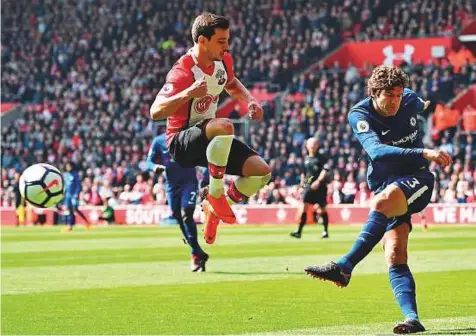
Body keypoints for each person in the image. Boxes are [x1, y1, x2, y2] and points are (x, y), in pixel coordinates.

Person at [304, 66, 452, 334]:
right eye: (389, 95)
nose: (395, 101)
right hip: (387, 183)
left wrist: (425, 106)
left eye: (398, 95)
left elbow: (421, 103)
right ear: (373, 92)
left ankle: (345, 266)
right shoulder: (360, 114)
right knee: (395, 253)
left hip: (417, 179)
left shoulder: (409, 99)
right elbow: (376, 151)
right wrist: (424, 151)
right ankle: (412, 318)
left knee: (382, 202)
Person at [149, 13, 271, 244]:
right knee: (224, 125)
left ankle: (213, 208)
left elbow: (231, 83)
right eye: (221, 41)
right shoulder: (183, 71)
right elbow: (155, 111)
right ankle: (215, 193)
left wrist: (251, 100)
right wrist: (187, 93)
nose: (227, 46)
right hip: (181, 142)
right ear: (202, 41)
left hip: (212, 138)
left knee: (261, 172)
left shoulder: (223, 61)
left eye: (227, 40)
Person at [146, 132, 209, 272]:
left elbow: (204, 157)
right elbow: (147, 162)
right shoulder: (159, 141)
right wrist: (153, 167)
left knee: (187, 214)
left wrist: (205, 173)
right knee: (177, 216)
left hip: (189, 183)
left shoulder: (190, 137)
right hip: (172, 186)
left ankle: (195, 255)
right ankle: (198, 252)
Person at [290, 138, 330, 239]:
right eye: (310, 144)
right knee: (303, 207)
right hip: (308, 187)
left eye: (314, 144)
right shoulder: (306, 159)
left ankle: (325, 231)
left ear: (317, 145)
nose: (312, 146)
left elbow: (325, 170)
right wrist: (302, 186)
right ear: (307, 145)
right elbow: (304, 174)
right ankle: (299, 231)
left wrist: (318, 181)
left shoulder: (322, 158)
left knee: (321, 210)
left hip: (320, 187)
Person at [61, 162, 91, 231]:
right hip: (68, 195)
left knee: (75, 209)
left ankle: (87, 222)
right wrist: (63, 193)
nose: (68, 168)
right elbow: (66, 186)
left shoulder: (75, 174)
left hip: (73, 195)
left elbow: (78, 185)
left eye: (69, 166)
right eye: (67, 166)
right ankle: (70, 226)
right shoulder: (66, 175)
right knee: (70, 210)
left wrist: (76, 194)